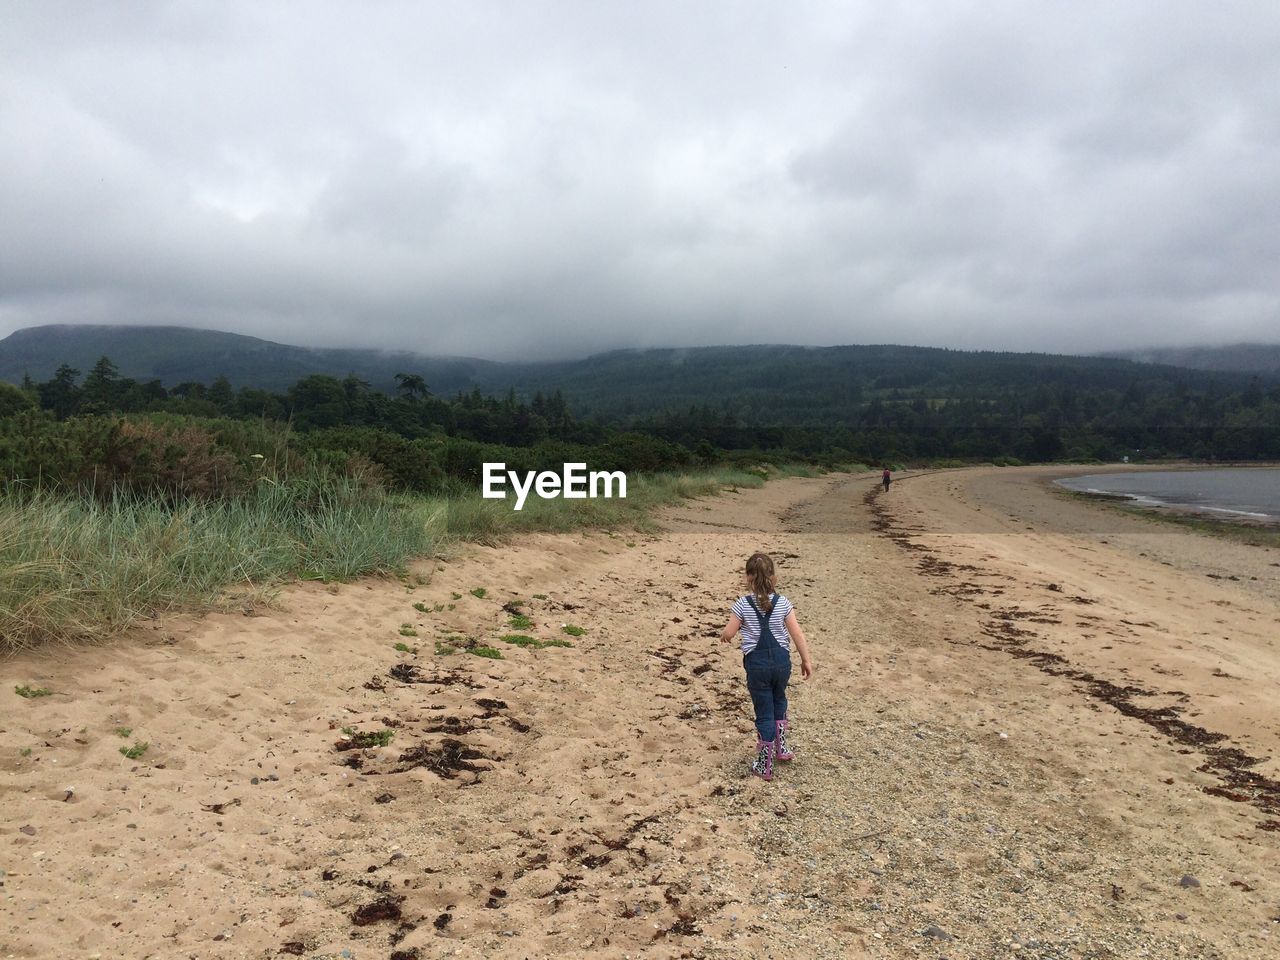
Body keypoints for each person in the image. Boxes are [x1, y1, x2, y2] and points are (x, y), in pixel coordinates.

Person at [719, 552, 814, 781]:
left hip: (757, 666)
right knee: (779, 699)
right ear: (774, 578)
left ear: (748, 578)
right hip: (782, 663)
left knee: (764, 710)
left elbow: (729, 633)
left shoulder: (742, 604)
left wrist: (725, 635)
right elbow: (797, 634)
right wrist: (806, 660)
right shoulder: (783, 603)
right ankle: (782, 748)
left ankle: (764, 764)